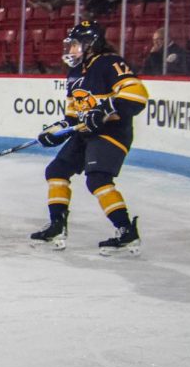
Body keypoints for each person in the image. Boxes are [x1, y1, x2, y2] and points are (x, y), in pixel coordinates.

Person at [30, 21, 148, 255]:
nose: (70, 50)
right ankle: (56, 226)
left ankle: (126, 232)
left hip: (112, 133)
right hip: (86, 133)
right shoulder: (74, 73)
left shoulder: (110, 63)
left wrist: (104, 110)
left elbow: (137, 96)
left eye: (75, 44)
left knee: (98, 179)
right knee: (56, 171)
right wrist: (56, 131)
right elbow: (73, 116)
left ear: (90, 44)